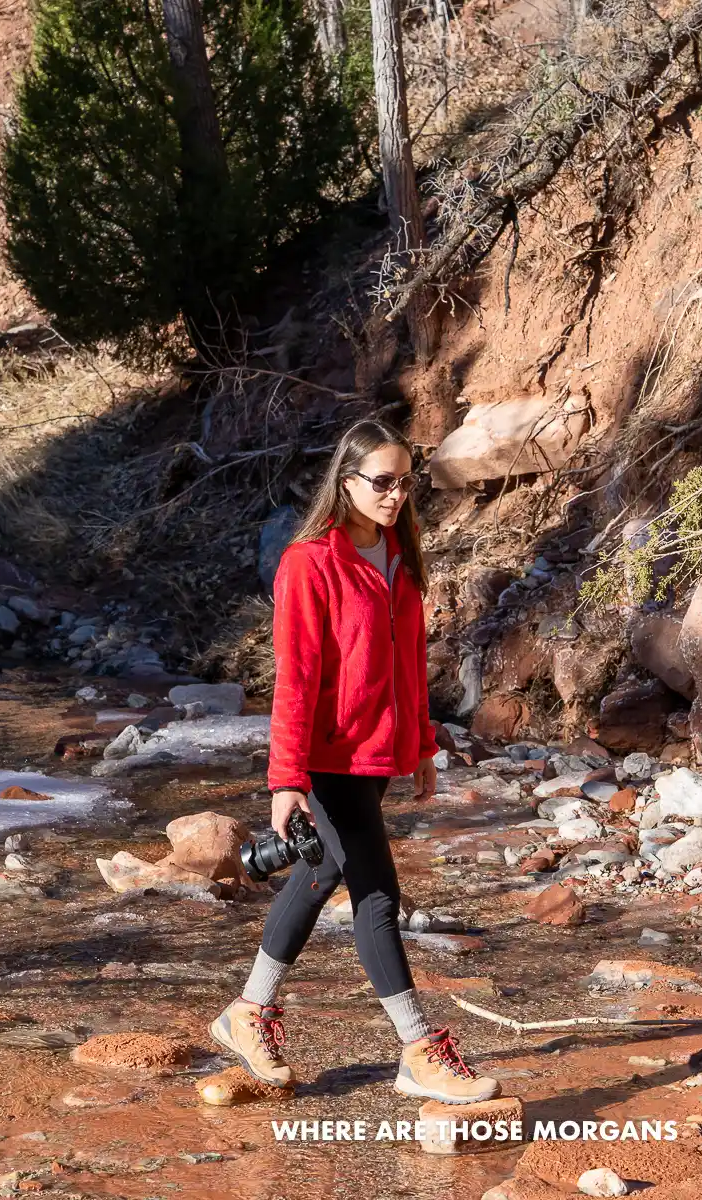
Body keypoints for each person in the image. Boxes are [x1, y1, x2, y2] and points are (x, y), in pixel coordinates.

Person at [209, 419, 499, 1105]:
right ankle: (417, 1047)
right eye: (382, 482)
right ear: (346, 482)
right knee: (376, 893)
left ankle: (247, 1013)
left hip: (373, 753)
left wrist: (422, 742)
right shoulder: (310, 562)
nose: (397, 495)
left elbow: (407, 662)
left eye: (406, 482)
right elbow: (297, 679)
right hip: (326, 756)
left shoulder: (400, 554)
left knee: (319, 873)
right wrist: (286, 779)